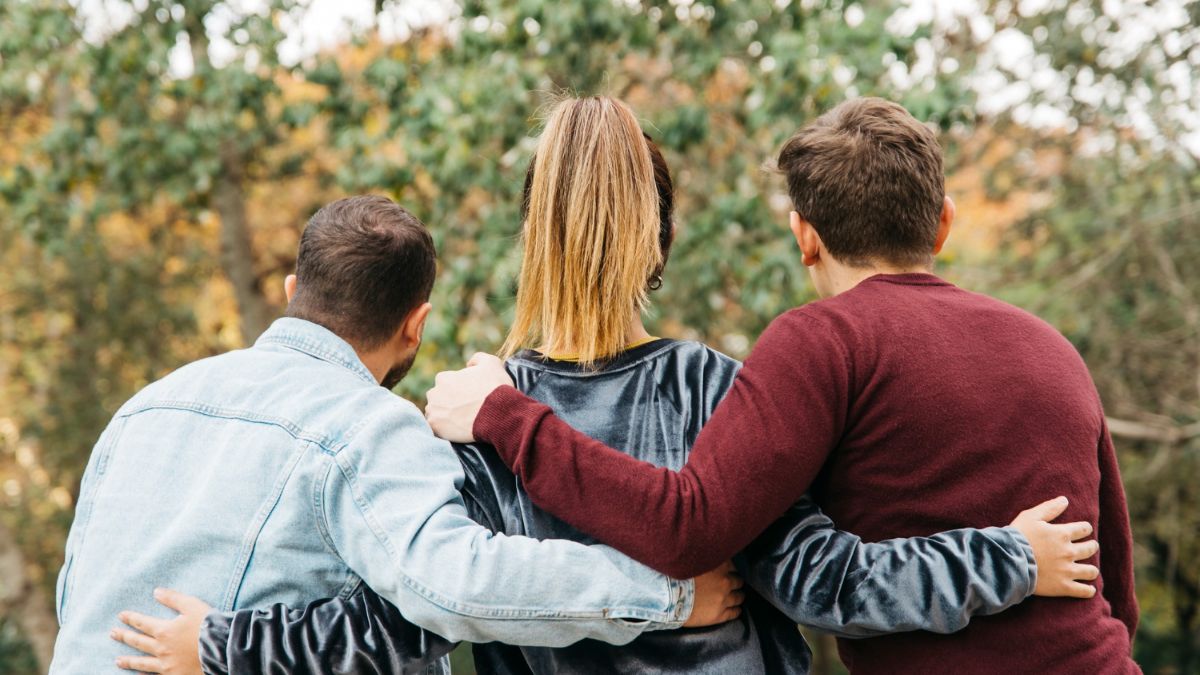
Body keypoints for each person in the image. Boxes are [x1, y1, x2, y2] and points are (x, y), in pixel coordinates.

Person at [112, 97, 1098, 675]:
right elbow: (826, 584)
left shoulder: (459, 421)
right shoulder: (720, 391)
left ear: (532, 238)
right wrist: (1003, 560)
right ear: (659, 243)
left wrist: (227, 645)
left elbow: (401, 618)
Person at [424, 97, 1141, 674]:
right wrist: (1010, 557)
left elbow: (449, 594)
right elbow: (1118, 588)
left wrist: (504, 415)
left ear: (805, 236)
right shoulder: (1055, 348)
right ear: (945, 222)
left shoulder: (467, 409)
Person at [50, 195, 748, 675]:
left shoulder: (145, 408)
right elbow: (461, 583)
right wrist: (669, 596)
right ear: (416, 324)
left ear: (295, 285)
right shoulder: (367, 425)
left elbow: (72, 590)